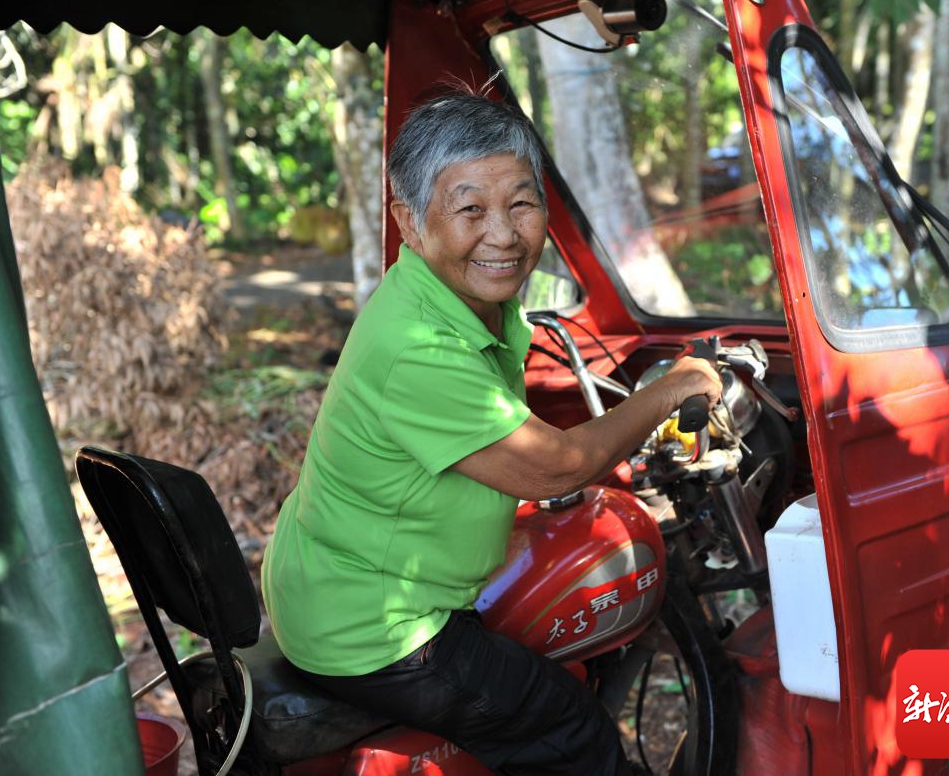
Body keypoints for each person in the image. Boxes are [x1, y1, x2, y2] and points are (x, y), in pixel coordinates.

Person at [261, 91, 721, 776]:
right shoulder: (418, 343)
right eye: (471, 210)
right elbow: (556, 468)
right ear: (410, 225)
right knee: (573, 733)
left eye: (522, 204)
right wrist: (673, 390)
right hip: (373, 626)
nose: (503, 234)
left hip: (339, 581)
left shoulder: (458, 302)